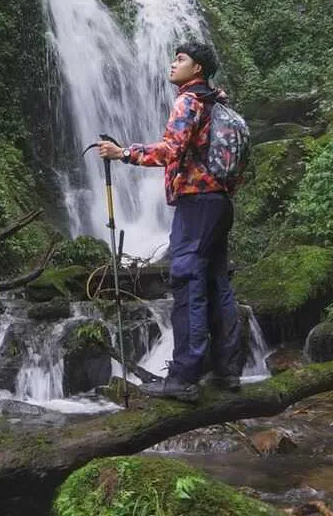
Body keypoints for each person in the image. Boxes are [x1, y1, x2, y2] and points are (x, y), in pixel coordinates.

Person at [98, 41, 242, 402]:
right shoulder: (216, 103)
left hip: (196, 204)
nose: (171, 64)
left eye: (180, 59)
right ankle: (227, 371)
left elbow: (170, 149)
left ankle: (183, 377)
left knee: (187, 281)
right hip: (220, 202)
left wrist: (123, 153)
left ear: (197, 69)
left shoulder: (189, 101)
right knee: (216, 284)